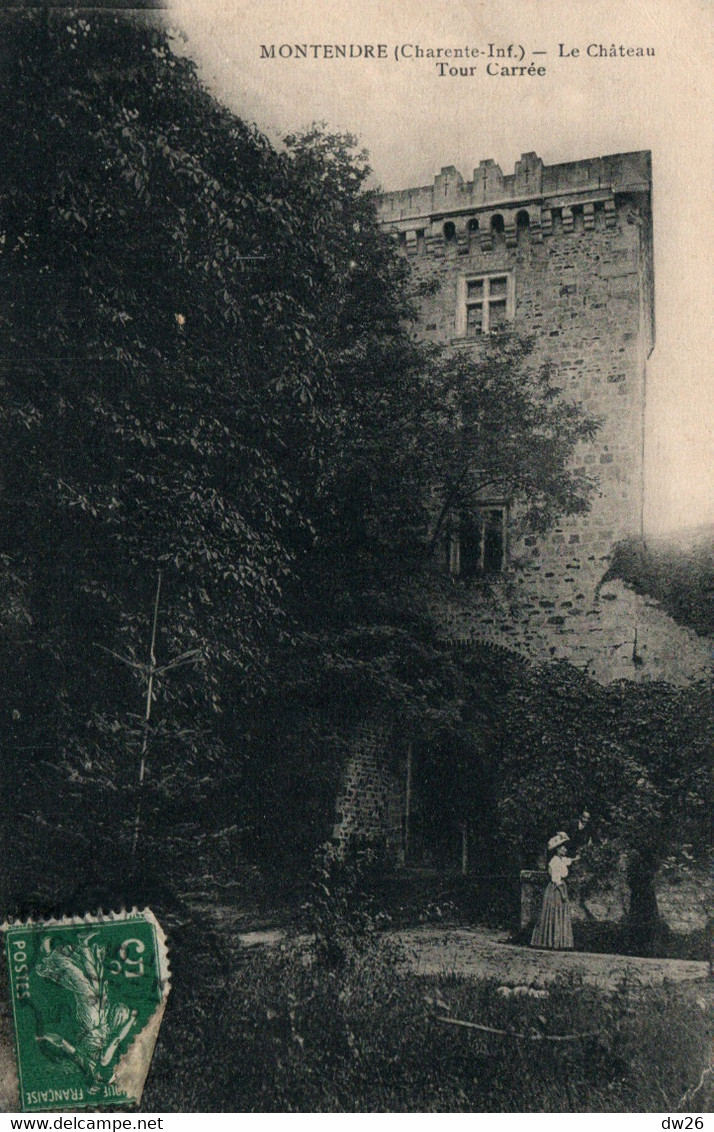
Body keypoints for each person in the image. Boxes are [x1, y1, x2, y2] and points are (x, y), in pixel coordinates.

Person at [530, 831, 579, 950]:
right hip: (556, 889)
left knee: (559, 913)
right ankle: (550, 941)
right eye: (563, 848)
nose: (565, 850)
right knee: (554, 913)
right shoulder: (554, 862)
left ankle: (558, 942)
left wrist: (577, 858)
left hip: (561, 886)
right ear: (557, 849)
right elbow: (556, 879)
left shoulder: (561, 860)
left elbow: (569, 860)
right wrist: (562, 893)